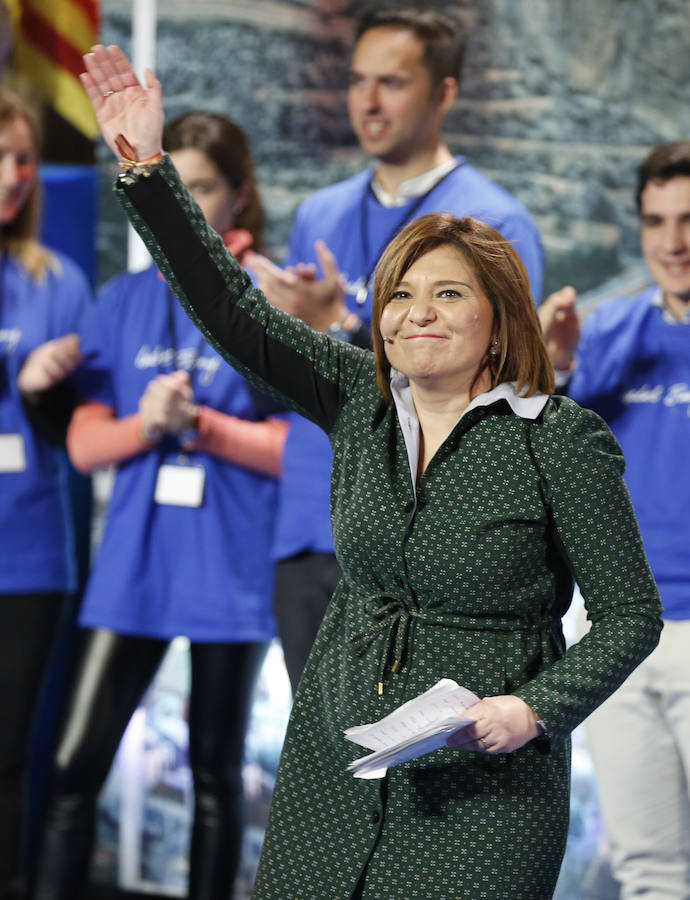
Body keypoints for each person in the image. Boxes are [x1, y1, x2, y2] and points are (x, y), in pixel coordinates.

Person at [79, 46, 663, 899]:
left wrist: (533, 709)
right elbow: (231, 312)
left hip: (489, 783)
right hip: (338, 756)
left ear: (501, 321)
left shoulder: (561, 440)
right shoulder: (358, 396)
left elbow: (628, 615)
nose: (417, 313)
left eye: (449, 294)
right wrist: (147, 168)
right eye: (400, 294)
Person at [248, 5, 546, 695]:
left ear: (443, 93)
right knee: (324, 763)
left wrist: (343, 328)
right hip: (310, 527)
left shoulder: (493, 222)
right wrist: (286, 336)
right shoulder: (320, 213)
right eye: (357, 81)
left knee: (415, 773)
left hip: (427, 542)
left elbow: (499, 399)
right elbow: (287, 390)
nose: (369, 102)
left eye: (392, 83)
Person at [31, 111, 287, 899]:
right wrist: (145, 424)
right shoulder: (121, 297)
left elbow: (291, 449)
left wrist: (202, 427)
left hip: (230, 567)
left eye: (202, 187)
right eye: (171, 186)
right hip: (135, 565)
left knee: (217, 774)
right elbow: (84, 446)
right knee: (76, 766)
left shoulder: (266, 294)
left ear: (238, 197)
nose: (185, 204)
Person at [539, 141, 690, 900]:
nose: (674, 242)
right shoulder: (611, 332)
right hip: (619, 632)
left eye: (689, 220)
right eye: (657, 221)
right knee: (647, 872)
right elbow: (542, 450)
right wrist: (559, 369)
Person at [0, 86, 91, 899]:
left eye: (23, 158)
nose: (12, 175)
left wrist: (40, 390)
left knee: (7, 753)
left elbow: (81, 432)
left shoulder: (57, 280)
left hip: (28, 552)